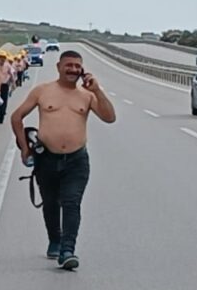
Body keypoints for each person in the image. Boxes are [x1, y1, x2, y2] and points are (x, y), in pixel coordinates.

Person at [9, 49, 117, 270]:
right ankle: (55, 240)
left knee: (71, 203)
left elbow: (109, 117)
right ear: (59, 67)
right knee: (50, 203)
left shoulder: (87, 96)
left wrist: (97, 90)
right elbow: (17, 117)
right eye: (69, 65)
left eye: (77, 66)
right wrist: (24, 147)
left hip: (76, 161)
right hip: (46, 158)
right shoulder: (42, 91)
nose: (73, 70)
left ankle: (68, 250)